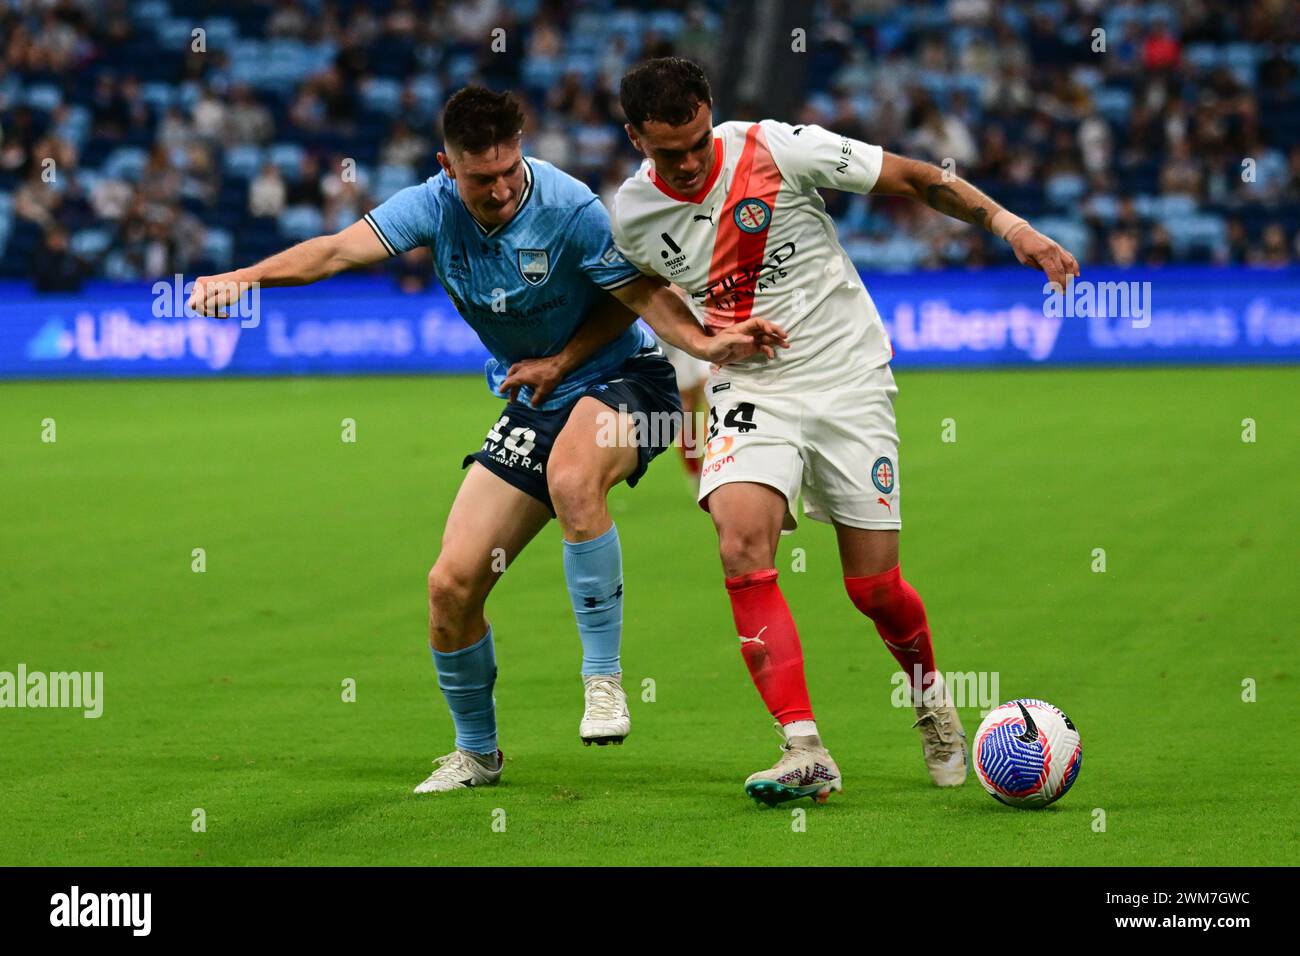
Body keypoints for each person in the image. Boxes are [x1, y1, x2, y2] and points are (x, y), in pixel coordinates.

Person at [188, 85, 786, 795]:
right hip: (534, 399)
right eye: (481, 178)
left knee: (573, 478)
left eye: (509, 170)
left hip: (624, 377)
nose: (501, 189)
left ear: (522, 148)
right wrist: (244, 277)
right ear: (448, 166)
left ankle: (603, 681)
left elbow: (640, 296)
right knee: (451, 586)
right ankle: (477, 754)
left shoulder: (567, 209)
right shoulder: (430, 207)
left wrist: (700, 344)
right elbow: (334, 252)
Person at [608, 57, 1080, 805]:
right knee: (739, 544)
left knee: (873, 587)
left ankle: (930, 700)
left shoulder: (775, 148)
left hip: (849, 379)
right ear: (635, 137)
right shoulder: (631, 214)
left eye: (699, 141)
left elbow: (917, 178)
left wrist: (1007, 224)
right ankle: (803, 749)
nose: (691, 162)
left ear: (709, 111)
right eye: (670, 153)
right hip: (751, 386)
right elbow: (632, 287)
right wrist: (702, 345)